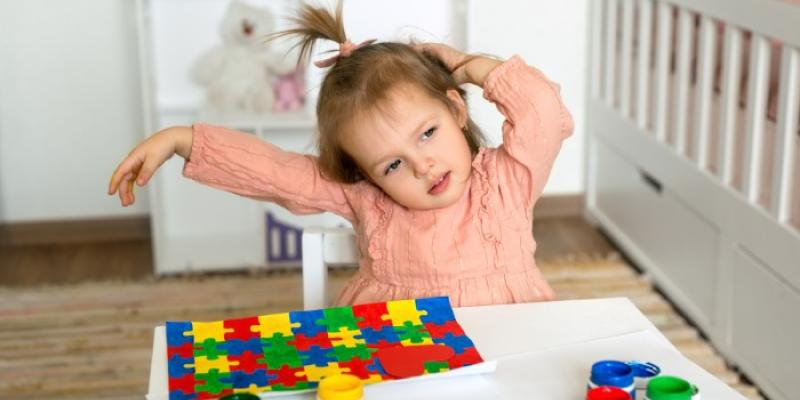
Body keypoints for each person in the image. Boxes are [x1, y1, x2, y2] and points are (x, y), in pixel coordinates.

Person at [108, 2, 574, 307]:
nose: (421, 165)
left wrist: (469, 66)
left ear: (455, 108)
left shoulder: (506, 182)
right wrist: (183, 140)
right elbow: (278, 173)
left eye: (427, 133)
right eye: (391, 164)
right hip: (393, 365)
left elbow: (544, 113)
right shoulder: (365, 196)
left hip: (514, 357)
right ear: (364, 172)